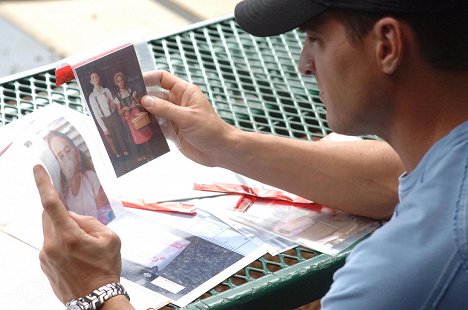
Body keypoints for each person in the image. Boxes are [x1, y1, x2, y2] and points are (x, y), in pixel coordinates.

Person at [34, 0, 468, 308]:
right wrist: (227, 144)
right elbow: (394, 179)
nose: (303, 63)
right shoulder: (449, 155)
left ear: (387, 45)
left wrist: (97, 293)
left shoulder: (412, 266)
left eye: (315, 39)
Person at [46, 130, 115, 225]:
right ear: (59, 167)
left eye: (67, 151)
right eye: (61, 156)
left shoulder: (91, 178)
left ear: (77, 154)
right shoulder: (66, 196)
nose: (67, 158)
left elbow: (108, 216)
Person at [88, 70, 129, 159]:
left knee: (120, 134)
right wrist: (104, 129)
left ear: (99, 78)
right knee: (113, 138)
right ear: (91, 81)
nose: (95, 78)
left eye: (96, 76)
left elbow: (114, 101)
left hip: (114, 116)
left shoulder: (106, 90)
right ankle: (119, 155)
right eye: (93, 77)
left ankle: (126, 153)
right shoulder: (92, 97)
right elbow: (96, 114)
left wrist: (114, 104)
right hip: (105, 120)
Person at [113, 71, 153, 162]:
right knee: (135, 137)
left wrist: (135, 103)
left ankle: (150, 154)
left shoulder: (130, 91)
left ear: (124, 80)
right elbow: (119, 113)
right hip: (129, 118)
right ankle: (141, 156)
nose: (121, 83)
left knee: (143, 133)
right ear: (116, 83)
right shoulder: (117, 96)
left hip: (137, 114)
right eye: (118, 81)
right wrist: (123, 109)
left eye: (122, 80)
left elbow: (138, 102)